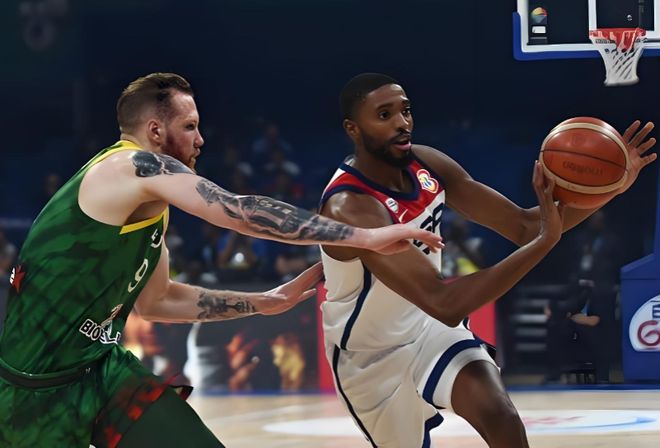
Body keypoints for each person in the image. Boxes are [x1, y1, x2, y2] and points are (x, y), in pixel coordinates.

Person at [0, 72, 443, 448]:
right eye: (190, 126)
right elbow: (238, 210)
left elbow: (158, 301)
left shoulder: (151, 205)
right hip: (34, 390)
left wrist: (263, 302)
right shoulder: (129, 167)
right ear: (155, 131)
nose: (201, 139)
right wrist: (366, 236)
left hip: (100, 369)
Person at [318, 73, 656, 448]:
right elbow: (445, 302)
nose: (402, 123)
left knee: (501, 415)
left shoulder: (427, 164)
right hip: (370, 354)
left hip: (429, 328)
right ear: (353, 128)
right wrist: (545, 242)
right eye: (385, 115)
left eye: (406, 111)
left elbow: (524, 226)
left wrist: (609, 187)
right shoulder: (350, 206)